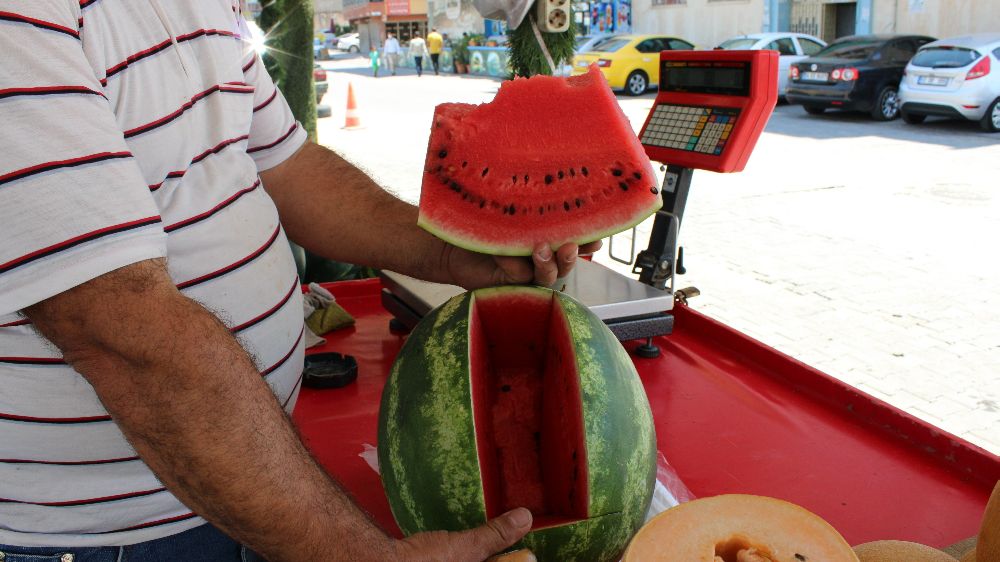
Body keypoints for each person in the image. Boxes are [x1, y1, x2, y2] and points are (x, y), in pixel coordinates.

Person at [0, 3, 595, 561]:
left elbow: (285, 164)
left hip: (254, 488)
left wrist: (449, 252)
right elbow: (121, 330)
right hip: (114, 538)